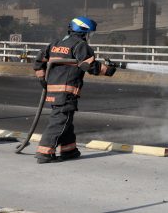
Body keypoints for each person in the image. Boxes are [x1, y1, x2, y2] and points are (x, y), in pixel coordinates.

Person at [32, 16, 117, 164]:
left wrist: (42, 78)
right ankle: (44, 152)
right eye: (90, 33)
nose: (90, 36)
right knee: (60, 121)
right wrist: (108, 70)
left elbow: (39, 61)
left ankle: (69, 151)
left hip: (53, 90)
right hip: (66, 91)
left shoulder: (56, 43)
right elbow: (89, 65)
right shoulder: (80, 45)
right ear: (84, 31)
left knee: (66, 121)